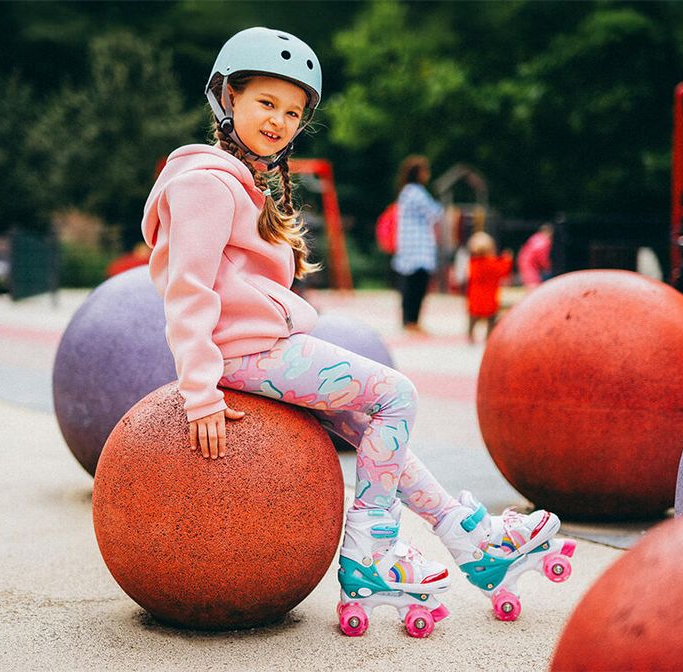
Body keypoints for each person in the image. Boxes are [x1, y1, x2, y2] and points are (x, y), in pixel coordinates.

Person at [141, 27, 573, 638]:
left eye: (292, 113)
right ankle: (371, 553)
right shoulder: (204, 182)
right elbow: (188, 289)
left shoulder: (232, 179)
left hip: (254, 348)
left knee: (377, 426)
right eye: (265, 103)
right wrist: (200, 392)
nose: (279, 121)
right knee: (396, 396)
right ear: (226, 96)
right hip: (245, 354)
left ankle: (472, 541)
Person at [391, 155, 443, 335]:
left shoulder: (405, 192)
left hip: (409, 247)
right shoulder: (416, 192)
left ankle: (409, 320)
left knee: (409, 286)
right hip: (418, 248)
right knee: (417, 286)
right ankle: (412, 321)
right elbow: (435, 212)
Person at [465, 231, 513, 344]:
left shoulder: (473, 264)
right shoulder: (493, 263)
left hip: (475, 298)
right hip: (490, 298)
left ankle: (470, 336)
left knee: (473, 319)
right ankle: (489, 336)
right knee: (491, 319)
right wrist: (507, 259)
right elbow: (504, 271)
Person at [517, 223, 554, 289]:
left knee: (529, 282)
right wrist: (548, 267)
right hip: (531, 264)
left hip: (524, 260)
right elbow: (542, 258)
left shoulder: (535, 237)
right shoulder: (544, 242)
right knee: (534, 283)